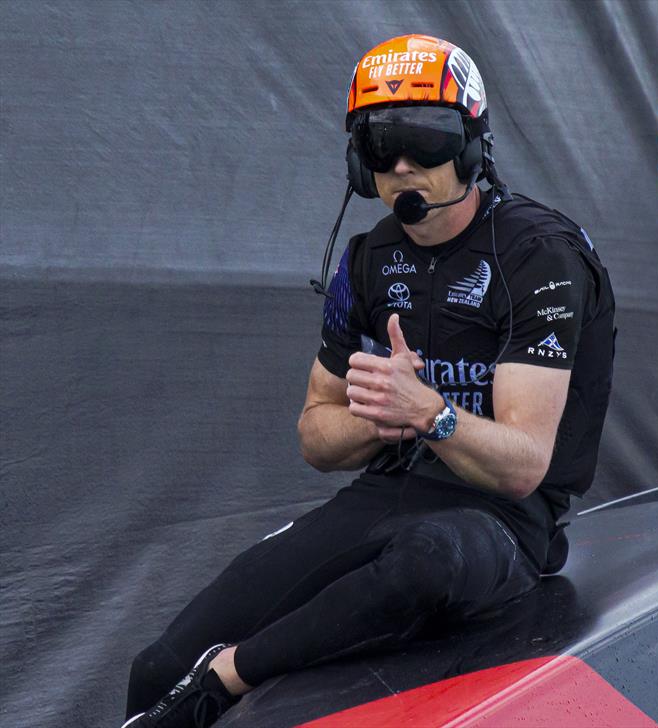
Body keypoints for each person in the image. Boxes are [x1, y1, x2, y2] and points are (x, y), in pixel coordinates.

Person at [122, 34, 615, 728]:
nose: (405, 165)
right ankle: (201, 678)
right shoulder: (366, 261)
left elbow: (524, 467)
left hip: (506, 522)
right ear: (360, 165)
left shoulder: (541, 256)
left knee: (423, 564)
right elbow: (315, 436)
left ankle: (231, 675)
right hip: (391, 492)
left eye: (427, 138)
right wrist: (376, 417)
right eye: (383, 146)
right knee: (155, 669)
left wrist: (432, 413)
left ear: (472, 147)